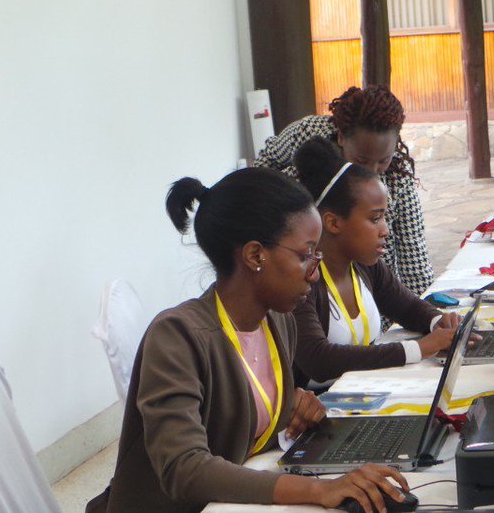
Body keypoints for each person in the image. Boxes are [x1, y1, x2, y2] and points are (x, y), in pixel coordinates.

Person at [87, 167, 409, 513]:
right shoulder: (177, 336)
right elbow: (184, 468)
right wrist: (317, 489)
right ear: (255, 255)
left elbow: (235, 418)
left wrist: (291, 408)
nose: (315, 273)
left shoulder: (278, 322)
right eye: (306, 255)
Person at [290, 137, 461, 388]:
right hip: (321, 411)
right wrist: (417, 349)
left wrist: (437, 322)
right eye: (375, 219)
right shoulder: (302, 281)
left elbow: (406, 307)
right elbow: (319, 359)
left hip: (366, 394)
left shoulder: (363, 265)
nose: (386, 230)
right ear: (333, 223)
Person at [255, 85, 433, 297]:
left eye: (383, 160)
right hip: (312, 289)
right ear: (340, 137)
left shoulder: (398, 177)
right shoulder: (307, 135)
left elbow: (415, 260)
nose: (372, 171)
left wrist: (425, 310)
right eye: (361, 160)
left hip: (376, 298)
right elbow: (264, 167)